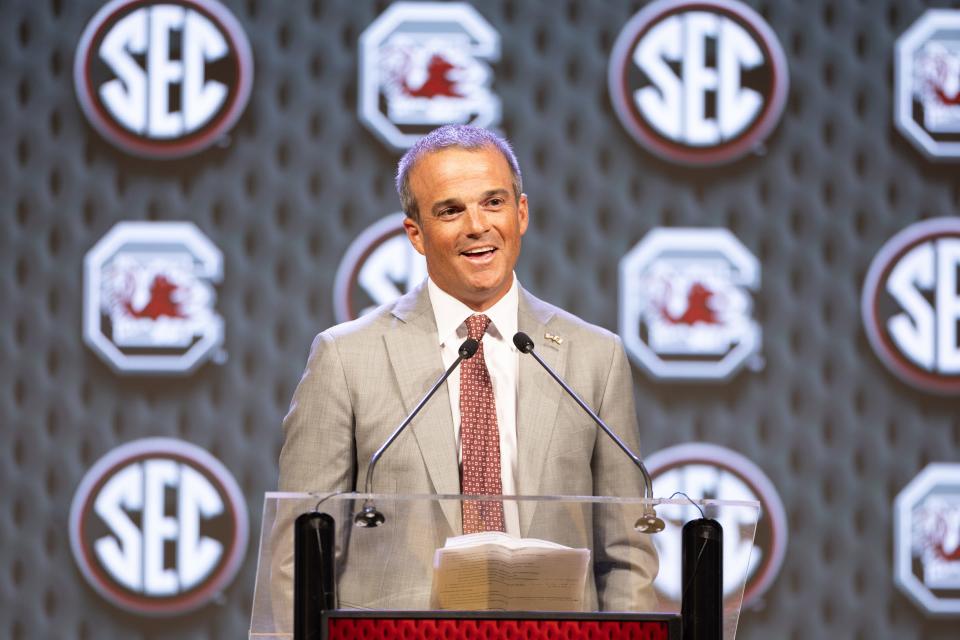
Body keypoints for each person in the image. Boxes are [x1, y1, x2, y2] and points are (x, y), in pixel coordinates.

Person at [276, 125, 657, 613]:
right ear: (415, 232)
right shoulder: (346, 358)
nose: (477, 226)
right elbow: (300, 555)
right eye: (450, 210)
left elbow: (626, 555)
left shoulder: (593, 357)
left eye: (493, 202)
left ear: (521, 214)